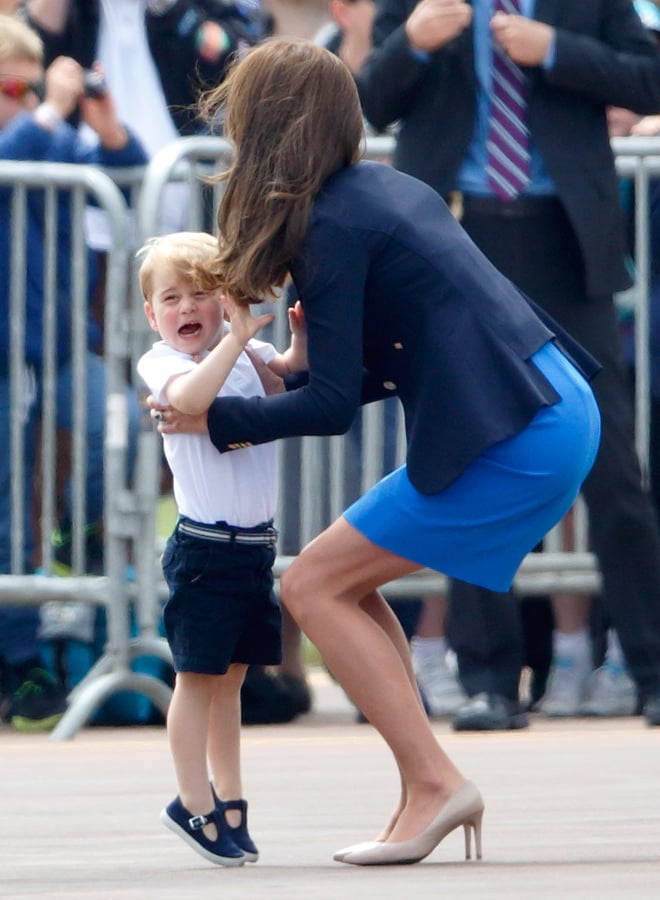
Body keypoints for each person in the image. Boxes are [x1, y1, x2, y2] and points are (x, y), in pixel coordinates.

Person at [151, 38, 600, 865]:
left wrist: (214, 422)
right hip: (547, 403)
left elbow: (327, 409)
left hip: (521, 426)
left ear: (270, 130)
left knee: (314, 583)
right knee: (340, 583)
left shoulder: (332, 224)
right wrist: (283, 381)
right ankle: (424, 783)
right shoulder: (370, 194)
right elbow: (359, 376)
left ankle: (434, 782)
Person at [357, 0, 660, 729]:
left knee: (613, 463)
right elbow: (370, 98)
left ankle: (650, 671)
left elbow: (650, 79)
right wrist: (414, 42)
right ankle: (490, 678)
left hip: (565, 241)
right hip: (458, 239)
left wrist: (554, 48)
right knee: (465, 455)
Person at [136, 231, 307, 865]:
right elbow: (189, 401)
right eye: (170, 298)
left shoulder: (245, 351)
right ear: (152, 314)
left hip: (253, 548)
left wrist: (296, 341)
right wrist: (234, 338)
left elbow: (288, 388)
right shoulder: (164, 362)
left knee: (232, 680)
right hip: (205, 549)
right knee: (197, 678)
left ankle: (230, 797)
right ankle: (191, 800)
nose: (187, 308)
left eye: (202, 294)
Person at [0, 14, 147, 730]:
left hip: (58, 347)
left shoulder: (40, 135)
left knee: (122, 433)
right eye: (9, 86)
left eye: (27, 87)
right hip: (5, 355)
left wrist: (105, 123)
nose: (23, 100)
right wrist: (51, 110)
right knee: (4, 516)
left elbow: (126, 173)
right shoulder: (25, 138)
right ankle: (19, 663)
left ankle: (80, 533)